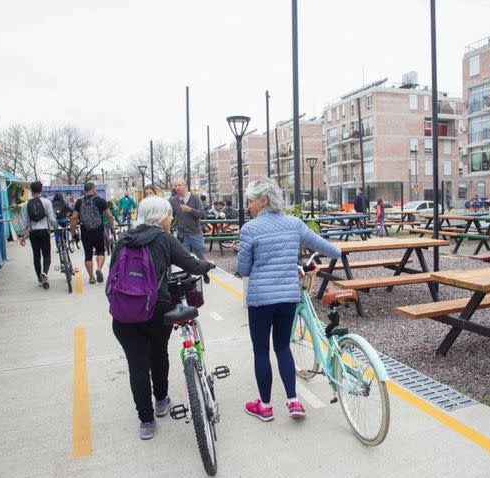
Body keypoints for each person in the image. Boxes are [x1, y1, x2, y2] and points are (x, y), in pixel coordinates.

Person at [236, 177, 342, 422]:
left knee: (261, 352)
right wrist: (338, 252)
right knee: (283, 347)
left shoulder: (249, 229)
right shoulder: (294, 224)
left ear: (263, 201)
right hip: (287, 298)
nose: (248, 206)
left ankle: (264, 406)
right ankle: (293, 402)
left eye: (251, 201)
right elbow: (326, 247)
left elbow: (244, 270)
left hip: (260, 300)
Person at [110, 196, 215, 440]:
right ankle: (160, 401)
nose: (171, 218)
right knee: (158, 353)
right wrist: (208, 265)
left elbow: (114, 272)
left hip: (124, 312)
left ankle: (145, 422)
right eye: (169, 214)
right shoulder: (163, 238)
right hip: (155, 309)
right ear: (159, 216)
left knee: (136, 365)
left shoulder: (124, 239)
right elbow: (191, 264)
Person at [71, 182, 113, 284]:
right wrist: (111, 225)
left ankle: (91, 277)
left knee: (88, 255)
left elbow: (75, 217)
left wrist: (73, 231)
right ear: (94, 190)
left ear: (85, 191)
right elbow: (109, 215)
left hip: (85, 230)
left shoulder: (79, 202)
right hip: (98, 229)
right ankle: (99, 268)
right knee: (100, 251)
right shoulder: (101, 200)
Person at [19, 181, 58, 289]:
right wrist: (56, 226)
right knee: (46, 255)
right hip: (44, 231)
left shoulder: (26, 204)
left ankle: (40, 280)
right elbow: (51, 218)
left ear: (31, 191)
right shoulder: (47, 202)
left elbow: (24, 221)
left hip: (33, 233)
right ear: (42, 190)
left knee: (36, 256)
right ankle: (45, 273)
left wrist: (22, 235)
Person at [170, 176, 207, 264]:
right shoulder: (173, 200)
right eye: (176, 186)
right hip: (182, 235)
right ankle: (188, 276)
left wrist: (190, 210)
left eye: (179, 185)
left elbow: (202, 214)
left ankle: (205, 273)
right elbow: (171, 216)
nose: (177, 187)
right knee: (185, 259)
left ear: (185, 186)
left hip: (195, 233)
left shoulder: (195, 198)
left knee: (201, 256)